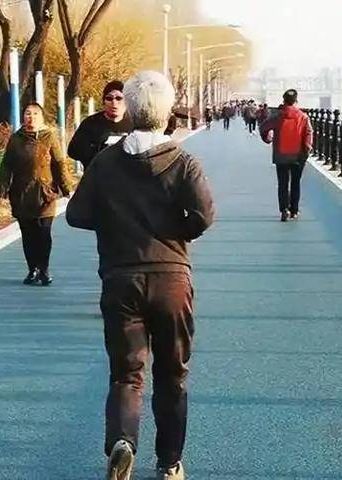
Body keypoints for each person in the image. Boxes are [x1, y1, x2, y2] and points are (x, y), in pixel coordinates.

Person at [66, 70, 215, 480]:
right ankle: (169, 462)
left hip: (121, 277)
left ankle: (122, 440)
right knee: (172, 374)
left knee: (126, 372)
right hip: (171, 278)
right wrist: (173, 232)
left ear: (129, 110)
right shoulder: (182, 161)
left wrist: (116, 225)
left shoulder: (105, 162)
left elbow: (76, 214)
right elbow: (204, 215)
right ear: (167, 113)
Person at [0, 103, 75, 285]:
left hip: (45, 193)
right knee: (28, 233)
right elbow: (7, 164)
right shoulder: (16, 139)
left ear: (41, 117)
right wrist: (3, 185)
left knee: (44, 233)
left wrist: (65, 186)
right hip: (22, 193)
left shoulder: (49, 137)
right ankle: (32, 269)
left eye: (35, 114)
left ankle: (44, 269)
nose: (30, 117)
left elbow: (59, 162)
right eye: (27, 114)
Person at [260, 89, 313, 222]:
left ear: (283, 101)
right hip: (298, 156)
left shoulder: (277, 116)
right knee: (296, 183)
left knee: (283, 183)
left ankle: (284, 209)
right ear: (296, 101)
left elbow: (263, 127)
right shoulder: (303, 116)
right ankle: (294, 210)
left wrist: (267, 139)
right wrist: (306, 149)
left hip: (281, 155)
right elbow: (308, 133)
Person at [67, 80, 133, 171]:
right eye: (109, 98)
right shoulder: (90, 123)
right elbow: (73, 151)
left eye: (119, 98)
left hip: (125, 175)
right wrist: (96, 151)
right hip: (96, 175)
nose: (114, 102)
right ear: (103, 102)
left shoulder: (134, 124)